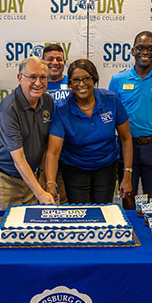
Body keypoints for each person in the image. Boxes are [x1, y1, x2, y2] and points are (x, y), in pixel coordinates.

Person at [45, 59, 133, 204]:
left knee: (103, 211)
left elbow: (126, 138)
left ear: (94, 79)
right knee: (81, 213)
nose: (81, 84)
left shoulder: (111, 100)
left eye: (86, 78)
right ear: (70, 83)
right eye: (76, 80)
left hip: (106, 166)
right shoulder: (62, 109)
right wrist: (50, 183)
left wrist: (127, 174)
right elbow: (53, 152)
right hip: (75, 168)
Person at [108, 31, 152, 209]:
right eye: (140, 48)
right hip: (126, 146)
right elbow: (109, 120)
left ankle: (150, 236)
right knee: (128, 196)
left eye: (150, 48)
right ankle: (132, 235)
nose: (145, 52)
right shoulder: (118, 79)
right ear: (132, 51)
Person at [0, 57, 55, 210]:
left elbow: (45, 142)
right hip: (2, 178)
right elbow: (19, 159)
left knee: (28, 228)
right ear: (19, 78)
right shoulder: (9, 108)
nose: (38, 83)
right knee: (0, 228)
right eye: (32, 77)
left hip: (30, 177)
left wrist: (42, 174)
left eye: (43, 77)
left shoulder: (48, 101)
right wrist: (41, 194)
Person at [42, 44, 70, 203]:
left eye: (59, 59)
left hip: (68, 150)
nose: (55, 62)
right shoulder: (38, 83)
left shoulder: (73, 82)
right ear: (43, 62)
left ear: (64, 62)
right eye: (50, 59)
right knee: (45, 196)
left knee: (67, 198)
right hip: (43, 151)